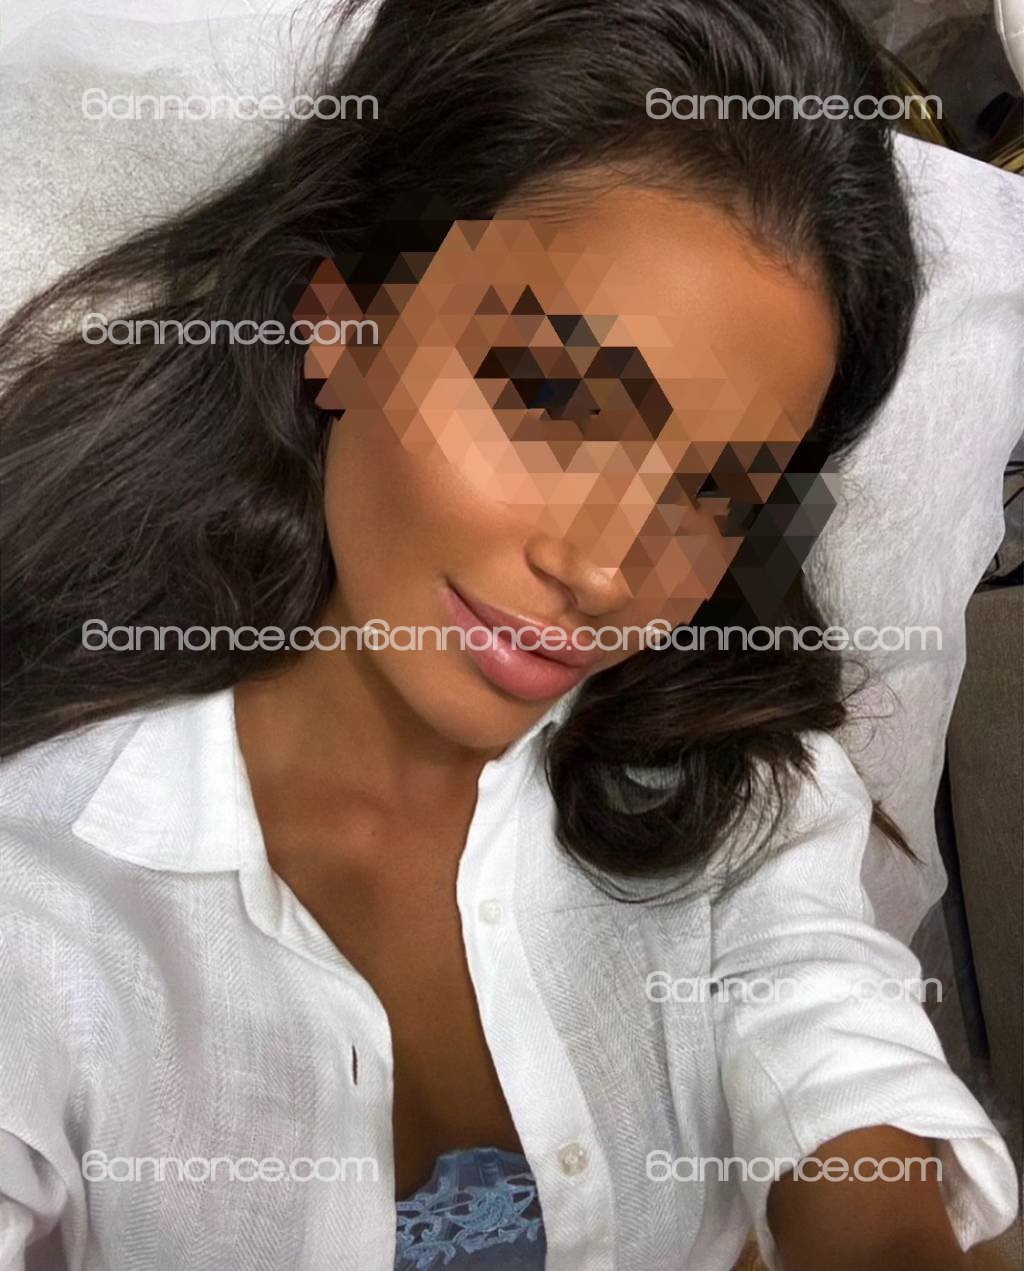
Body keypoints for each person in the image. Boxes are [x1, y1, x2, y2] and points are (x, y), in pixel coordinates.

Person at [0, 0, 1017, 1268]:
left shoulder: (736, 783)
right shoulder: (43, 904)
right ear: (340, 324)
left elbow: (832, 1050)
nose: (604, 568)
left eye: (715, 488)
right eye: (549, 394)